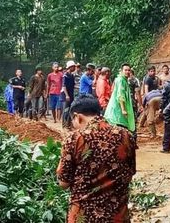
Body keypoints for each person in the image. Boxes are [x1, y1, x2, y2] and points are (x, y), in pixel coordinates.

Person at [57, 94, 136, 222]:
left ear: (78, 117)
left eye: (73, 121)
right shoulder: (126, 136)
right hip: (117, 216)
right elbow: (130, 173)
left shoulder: (75, 139)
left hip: (84, 217)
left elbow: (63, 182)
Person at [104, 63, 136, 133]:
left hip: (117, 109)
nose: (127, 72)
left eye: (129, 70)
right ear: (121, 71)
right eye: (125, 70)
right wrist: (123, 110)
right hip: (117, 110)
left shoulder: (123, 80)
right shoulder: (121, 80)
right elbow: (120, 96)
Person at [62, 61, 77, 129]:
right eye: (73, 66)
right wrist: (67, 95)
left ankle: (68, 123)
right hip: (66, 95)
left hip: (71, 94)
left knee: (70, 109)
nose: (74, 68)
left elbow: (73, 85)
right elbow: (64, 86)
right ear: (70, 67)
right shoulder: (65, 76)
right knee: (66, 109)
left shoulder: (72, 76)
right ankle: (64, 124)